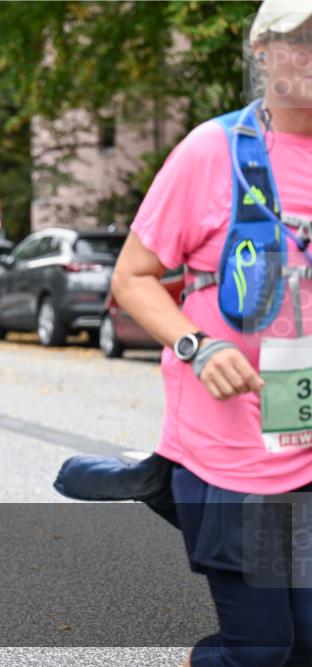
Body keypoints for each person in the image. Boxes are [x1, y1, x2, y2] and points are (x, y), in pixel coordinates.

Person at [109, 2, 312, 665]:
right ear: (260, 51)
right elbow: (134, 277)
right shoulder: (212, 149)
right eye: (297, 40)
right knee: (263, 651)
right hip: (230, 455)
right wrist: (201, 345)